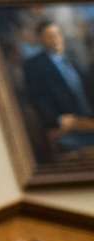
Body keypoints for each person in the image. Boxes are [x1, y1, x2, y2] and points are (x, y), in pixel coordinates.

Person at [23, 20, 94, 154]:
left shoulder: (73, 61)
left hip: (87, 120)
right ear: (40, 40)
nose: (55, 39)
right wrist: (57, 120)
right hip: (64, 126)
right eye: (49, 36)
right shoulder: (34, 65)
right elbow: (38, 98)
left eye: (57, 34)